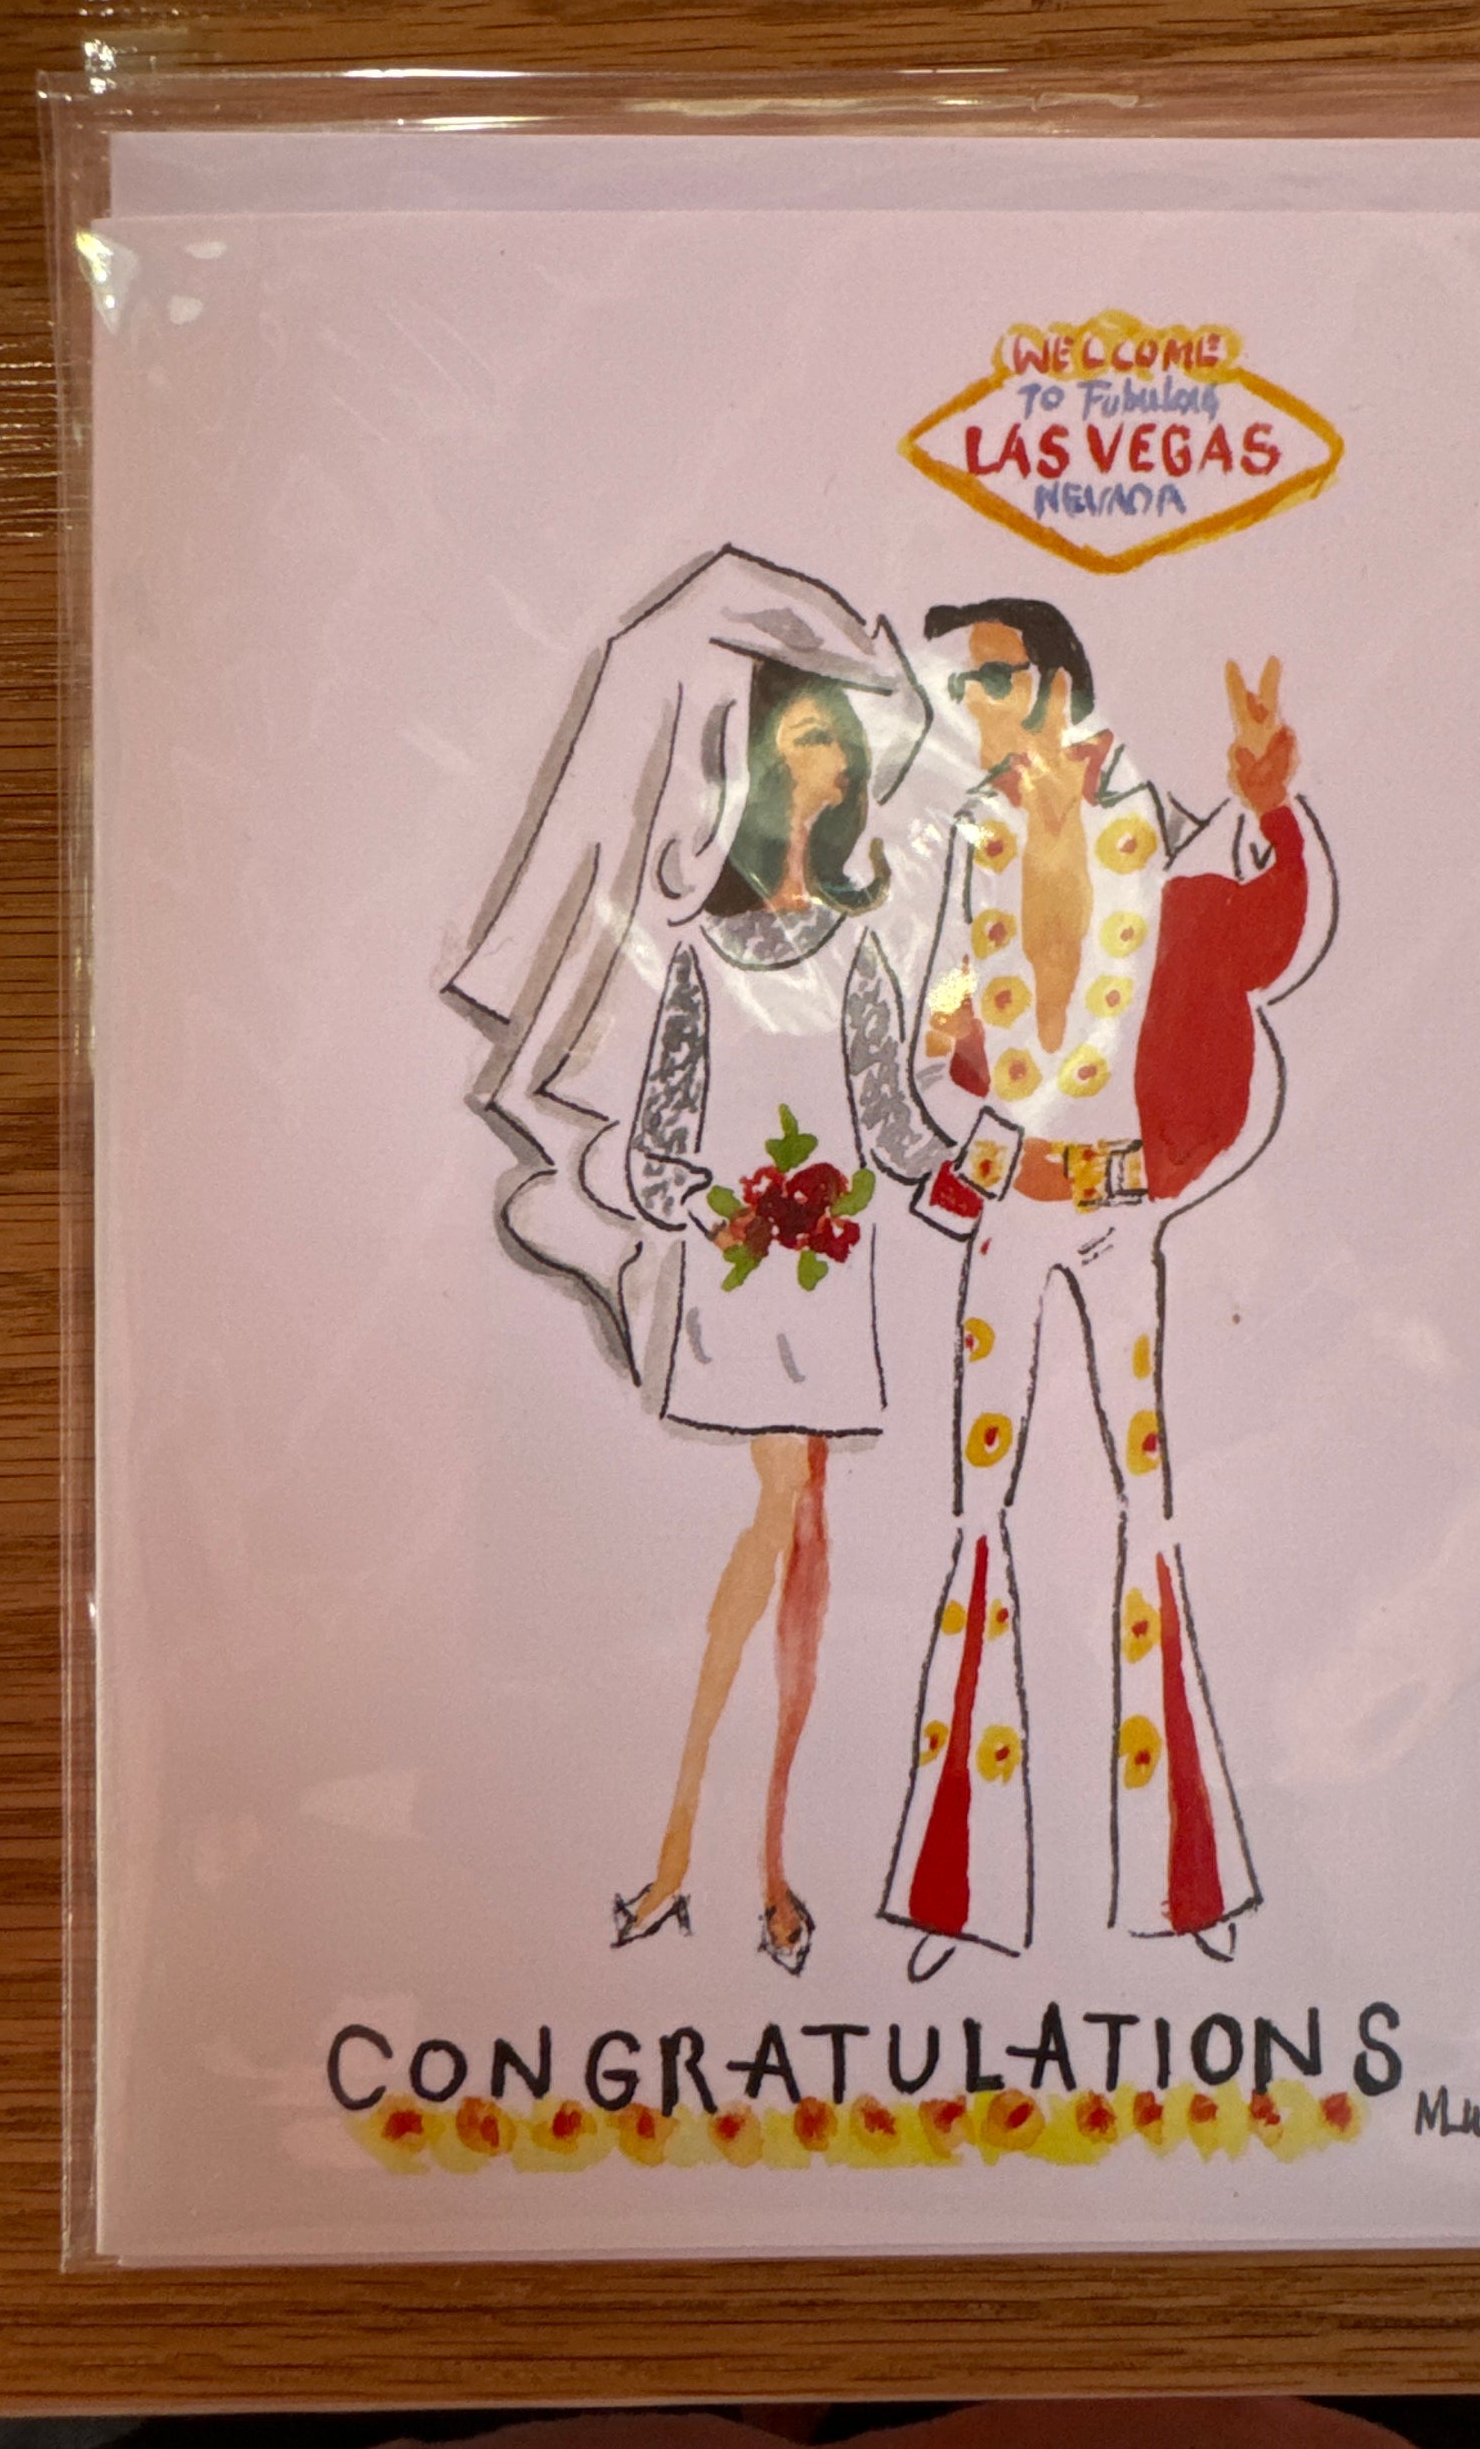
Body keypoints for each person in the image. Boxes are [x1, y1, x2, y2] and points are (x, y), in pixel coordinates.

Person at [447, 549, 941, 1975]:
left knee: (809, 1528)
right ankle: (686, 1846)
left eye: (842, 749)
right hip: (743, 1274)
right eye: (813, 741)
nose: (834, 768)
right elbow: (659, 1146)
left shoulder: (860, 950)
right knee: (783, 1509)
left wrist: (988, 1133)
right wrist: (733, 1210)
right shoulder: (700, 950)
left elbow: (896, 1126)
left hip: (832, 1271)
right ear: (765, 763)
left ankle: (767, 1863)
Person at [880, 597, 1337, 1980]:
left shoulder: (1162, 834)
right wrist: (958, 1065)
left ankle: (1188, 1883)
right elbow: (949, 1028)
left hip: (1122, 1211)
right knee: (981, 1508)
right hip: (1012, 1210)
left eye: (990, 680)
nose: (972, 706)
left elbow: (1269, 941)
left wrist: (1270, 804)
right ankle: (956, 1889)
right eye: (966, 686)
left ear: (1052, 685)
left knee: (1146, 1503)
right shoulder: (974, 843)